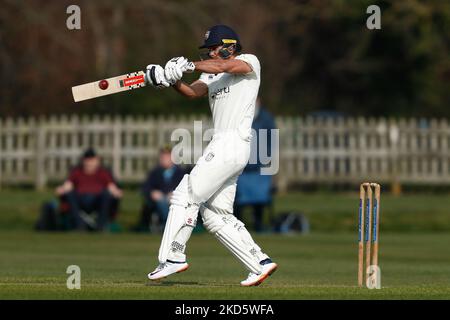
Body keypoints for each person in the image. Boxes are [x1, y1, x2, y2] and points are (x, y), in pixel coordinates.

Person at [145, 25, 278, 286]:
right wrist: (171, 80)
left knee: (185, 194)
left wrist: (187, 65)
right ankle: (258, 262)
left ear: (230, 45)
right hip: (224, 145)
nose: (211, 54)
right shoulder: (210, 74)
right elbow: (193, 92)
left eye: (214, 48)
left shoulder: (249, 62)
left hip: (232, 143)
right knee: (215, 214)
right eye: (208, 51)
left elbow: (225, 67)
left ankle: (173, 257)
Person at [235, 98, 277, 232]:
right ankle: (238, 226)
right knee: (238, 199)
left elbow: (272, 140)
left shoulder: (266, 118)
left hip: (259, 167)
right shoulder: (239, 117)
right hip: (241, 167)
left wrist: (265, 157)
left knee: (260, 198)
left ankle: (258, 224)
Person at [55, 148, 123, 231]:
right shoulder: (76, 172)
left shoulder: (103, 173)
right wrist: (62, 189)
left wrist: (116, 192)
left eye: (92, 161)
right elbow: (68, 185)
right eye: (87, 161)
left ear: (97, 161)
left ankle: (100, 225)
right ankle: (79, 225)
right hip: (80, 200)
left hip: (97, 201)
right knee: (70, 194)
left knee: (106, 194)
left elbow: (111, 187)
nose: (89, 163)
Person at [134, 146, 185, 232]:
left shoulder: (180, 173)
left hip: (175, 200)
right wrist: (152, 193)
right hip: (159, 201)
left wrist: (175, 194)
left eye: (167, 157)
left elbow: (186, 188)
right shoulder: (155, 172)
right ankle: (167, 226)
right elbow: (146, 187)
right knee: (161, 201)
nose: (164, 159)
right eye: (162, 157)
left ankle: (168, 226)